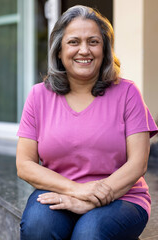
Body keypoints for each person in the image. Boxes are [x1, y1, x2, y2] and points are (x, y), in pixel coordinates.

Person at [16, 5, 158, 240]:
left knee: (90, 233)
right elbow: (25, 164)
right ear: (59, 51)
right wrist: (78, 191)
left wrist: (90, 200)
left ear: (105, 49)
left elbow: (138, 163)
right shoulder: (38, 96)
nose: (84, 50)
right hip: (59, 190)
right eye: (73, 42)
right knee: (38, 228)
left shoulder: (127, 92)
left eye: (93, 41)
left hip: (122, 197)